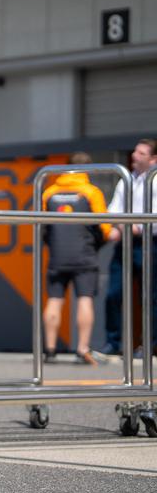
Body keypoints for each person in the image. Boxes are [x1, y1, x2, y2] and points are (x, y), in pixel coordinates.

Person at [41, 153, 110, 365]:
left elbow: (41, 226)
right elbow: (104, 227)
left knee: (54, 300)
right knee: (85, 299)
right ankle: (82, 349)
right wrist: (99, 242)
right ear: (89, 170)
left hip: (57, 256)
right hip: (84, 255)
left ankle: (50, 350)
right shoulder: (91, 192)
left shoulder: (49, 192)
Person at [103, 139, 157, 357]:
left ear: (153, 159)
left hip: (149, 243)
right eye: (135, 151)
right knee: (114, 293)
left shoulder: (155, 181)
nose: (135, 155)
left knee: (150, 296)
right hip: (125, 243)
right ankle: (112, 343)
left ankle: (149, 344)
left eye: (141, 153)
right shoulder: (127, 179)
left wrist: (134, 227)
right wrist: (119, 227)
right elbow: (113, 210)